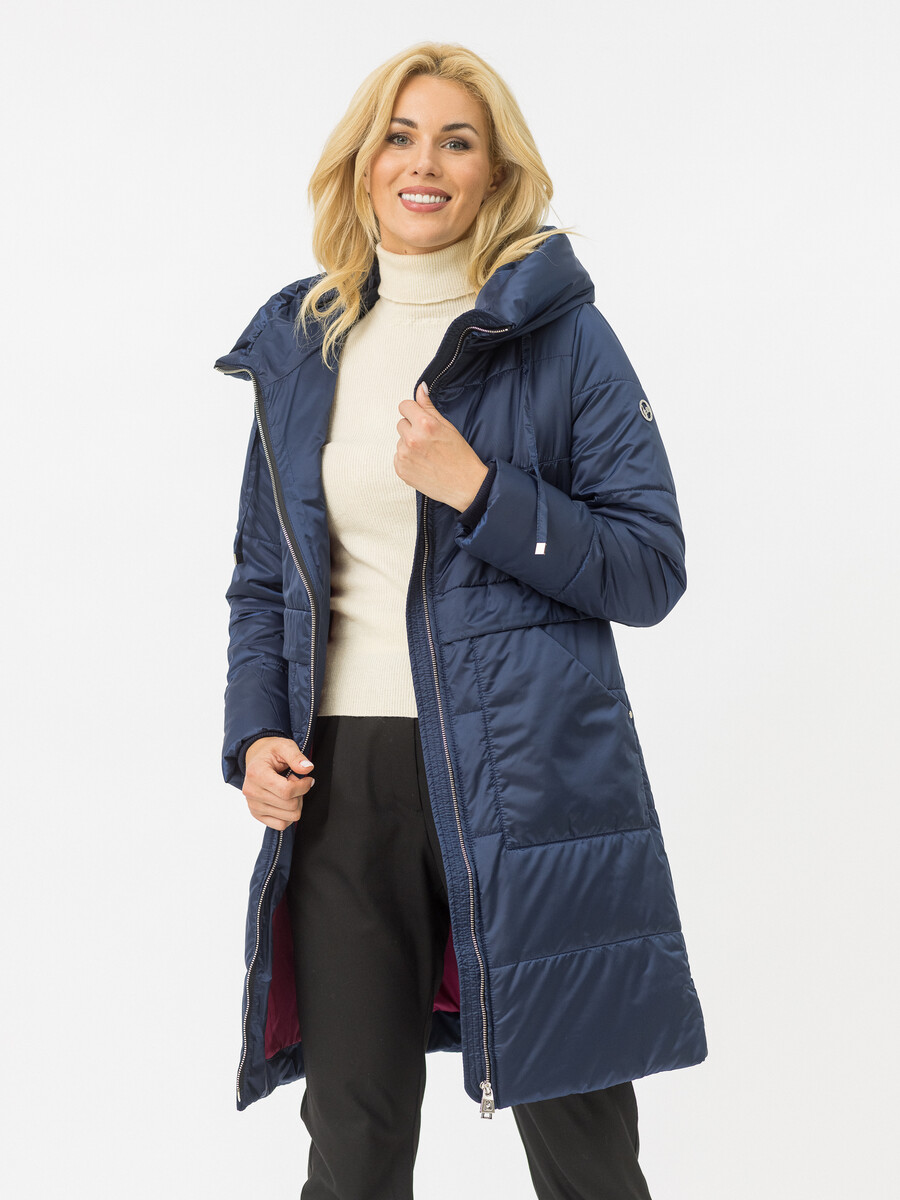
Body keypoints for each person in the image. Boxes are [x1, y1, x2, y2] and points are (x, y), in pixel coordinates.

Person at [214, 40, 707, 1200]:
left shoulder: (559, 337)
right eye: (399, 136)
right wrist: (254, 734)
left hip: (530, 782)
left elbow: (650, 567)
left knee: (582, 1147)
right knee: (354, 1143)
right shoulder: (308, 342)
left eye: (456, 141)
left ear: (496, 174)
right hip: (342, 783)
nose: (423, 164)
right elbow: (262, 577)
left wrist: (481, 492)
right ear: (363, 162)